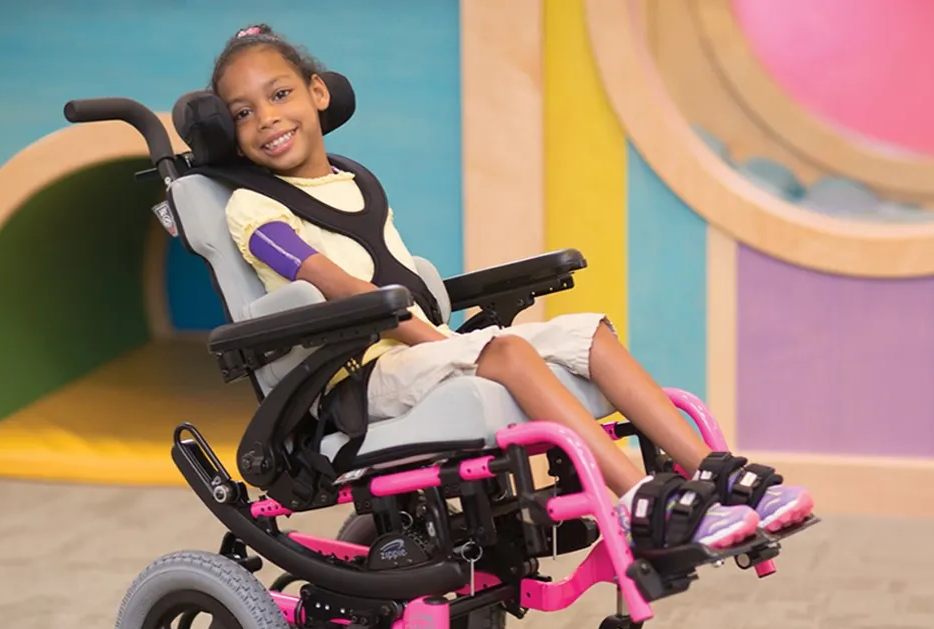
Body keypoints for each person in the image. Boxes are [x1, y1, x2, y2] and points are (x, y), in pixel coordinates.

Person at [211, 24, 814, 550]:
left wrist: (443, 342)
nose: (266, 118)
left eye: (280, 94)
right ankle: (639, 502)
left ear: (318, 93)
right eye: (243, 113)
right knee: (508, 351)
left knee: (589, 334)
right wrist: (439, 341)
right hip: (359, 377)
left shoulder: (355, 181)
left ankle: (714, 475)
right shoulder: (252, 208)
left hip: (420, 353)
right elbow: (341, 286)